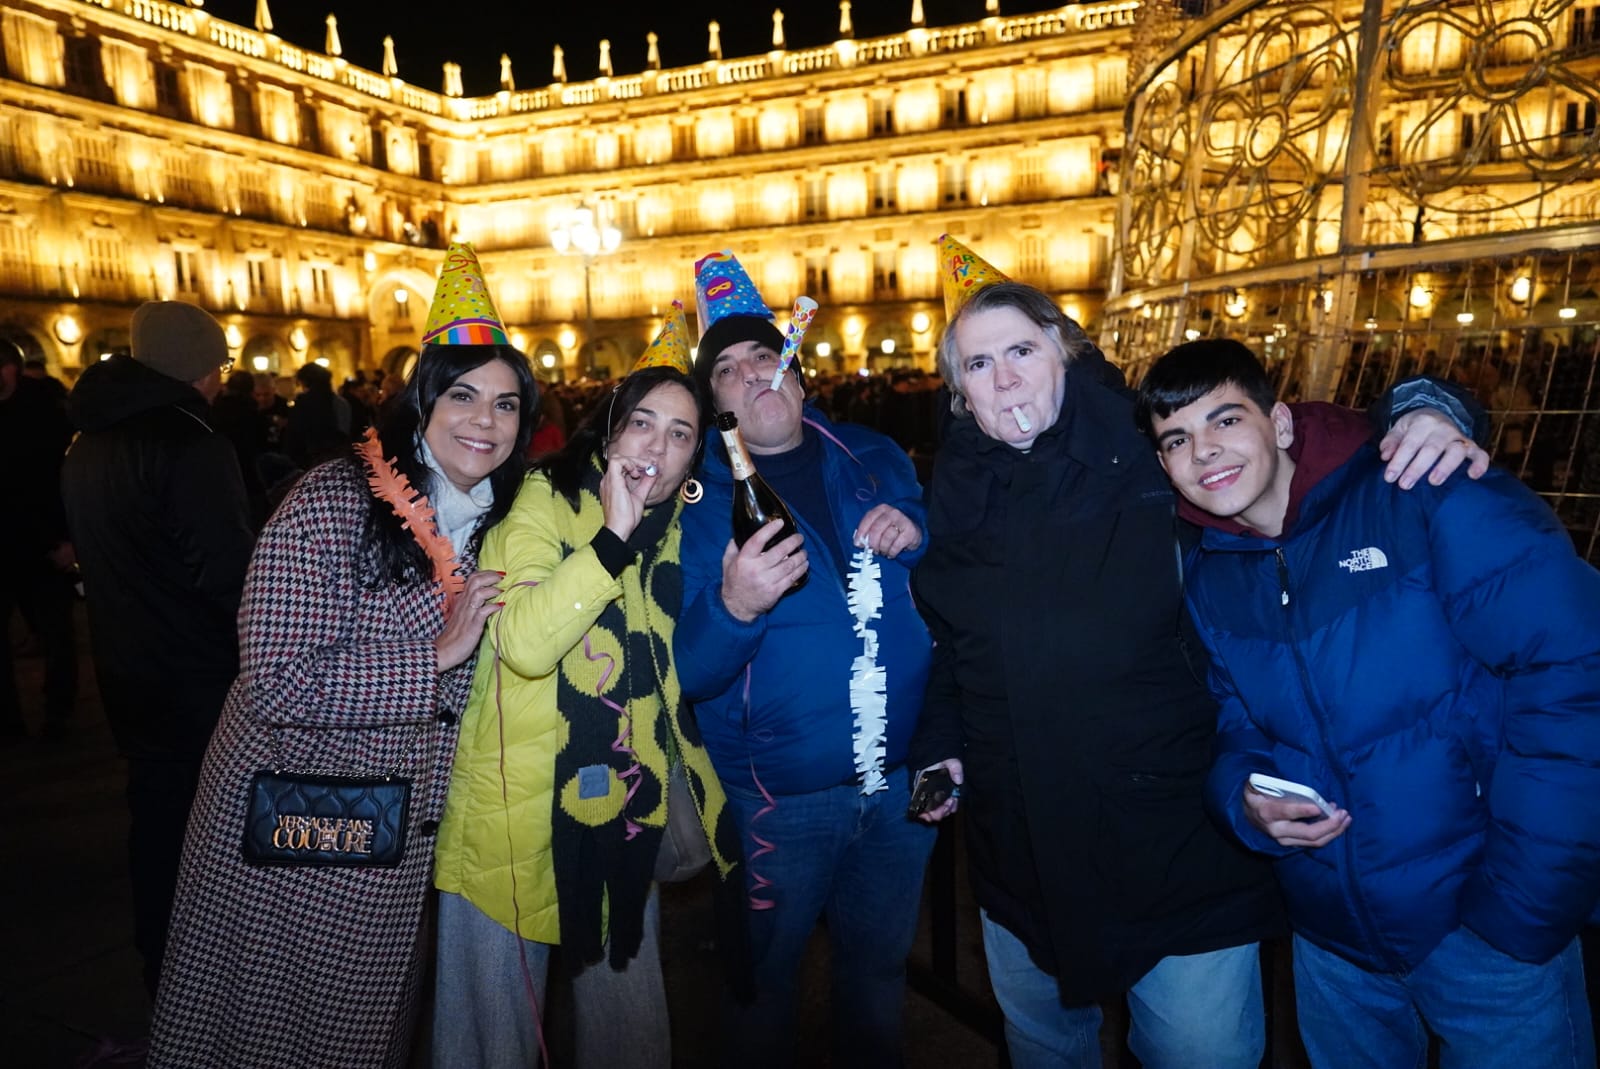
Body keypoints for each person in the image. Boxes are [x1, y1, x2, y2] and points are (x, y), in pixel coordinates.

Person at [908, 237, 1493, 1069]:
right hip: (1021, 859)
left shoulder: (1149, 455)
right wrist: (942, 744)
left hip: (1175, 853)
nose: (1002, 379)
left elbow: (1282, 452)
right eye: (976, 364)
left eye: (1021, 352)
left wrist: (1425, 407)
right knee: (1045, 1049)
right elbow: (958, 650)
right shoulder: (958, 494)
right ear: (959, 393)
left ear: (1065, 357)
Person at [1135, 338, 1600, 1069]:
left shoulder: (1415, 485)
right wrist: (1243, 799)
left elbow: (1577, 667)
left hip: (1485, 928)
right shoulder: (1212, 577)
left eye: (1225, 420)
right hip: (1332, 945)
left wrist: (1525, 903)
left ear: (1281, 423)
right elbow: (1236, 723)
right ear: (1163, 464)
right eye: (1177, 439)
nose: (1205, 453)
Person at [146, 246, 534, 1069]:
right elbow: (275, 677)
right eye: (462, 394)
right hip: (293, 821)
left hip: (392, 839)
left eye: (506, 404)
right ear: (421, 400)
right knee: (266, 1034)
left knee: (357, 1034)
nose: (484, 421)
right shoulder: (333, 498)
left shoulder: (496, 522)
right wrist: (433, 654)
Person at [433, 307, 740, 1069]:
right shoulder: (541, 499)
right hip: (514, 821)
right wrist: (609, 538)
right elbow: (526, 643)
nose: (656, 448)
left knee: (631, 1039)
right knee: (495, 1045)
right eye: (642, 422)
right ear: (609, 428)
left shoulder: (672, 532)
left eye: (678, 434)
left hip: (618, 815)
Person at [674, 252, 936, 1067]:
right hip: (774, 805)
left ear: (796, 370)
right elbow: (684, 669)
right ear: (713, 400)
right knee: (763, 989)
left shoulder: (876, 452)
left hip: (896, 786)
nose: (753, 375)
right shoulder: (692, 499)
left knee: (877, 974)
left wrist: (916, 532)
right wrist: (734, 607)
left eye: (765, 355)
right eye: (728, 369)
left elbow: (939, 558)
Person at [61, 302, 255, 996]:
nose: (221, 378)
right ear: (196, 365)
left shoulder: (89, 442)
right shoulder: (192, 442)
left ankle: (160, 960)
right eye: (219, 364)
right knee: (211, 825)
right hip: (198, 676)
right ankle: (207, 973)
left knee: (155, 818)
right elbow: (226, 574)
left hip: (125, 668)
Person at [0, 338, 76, 740]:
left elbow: (61, 477)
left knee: (57, 631)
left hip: (44, 541)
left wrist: (67, 537)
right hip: (6, 541)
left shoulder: (43, 411)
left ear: (12, 368)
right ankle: (9, 718)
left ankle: (58, 712)